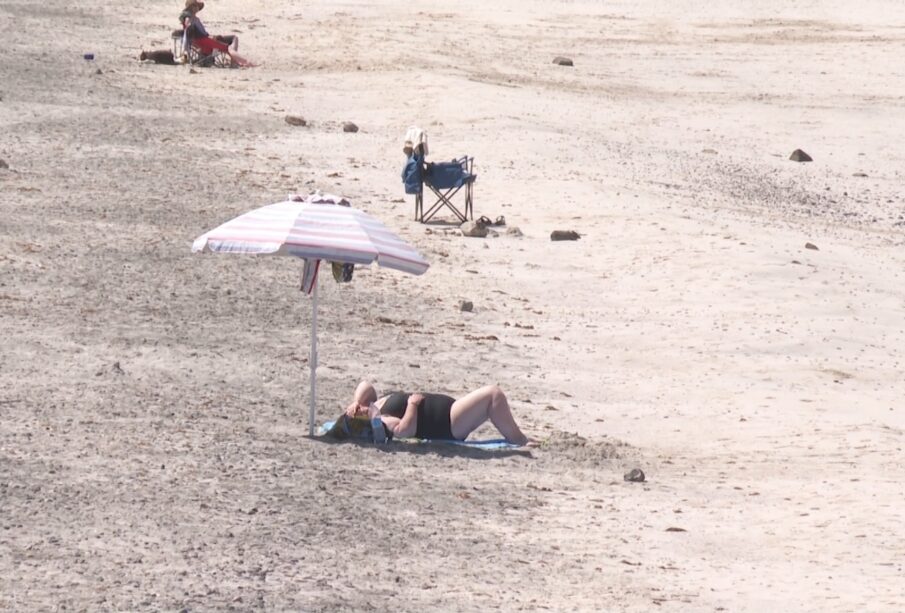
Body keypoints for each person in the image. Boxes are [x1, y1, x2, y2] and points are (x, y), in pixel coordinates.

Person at [344, 381, 533, 446]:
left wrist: (356, 402)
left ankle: (518, 438)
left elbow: (366, 386)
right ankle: (519, 440)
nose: (358, 410)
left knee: (491, 399)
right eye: (358, 413)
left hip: (450, 410)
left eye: (355, 409)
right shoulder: (381, 419)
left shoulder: (374, 404)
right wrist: (412, 405)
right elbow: (404, 430)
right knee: (494, 395)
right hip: (447, 423)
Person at [178, 0, 249, 66]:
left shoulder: (195, 18)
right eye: (195, 6)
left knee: (232, 39)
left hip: (205, 40)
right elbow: (188, 24)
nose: (197, 8)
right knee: (228, 48)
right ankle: (245, 62)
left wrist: (211, 36)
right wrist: (188, 24)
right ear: (190, 7)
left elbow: (201, 33)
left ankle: (235, 61)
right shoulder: (189, 17)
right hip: (204, 42)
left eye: (197, 6)